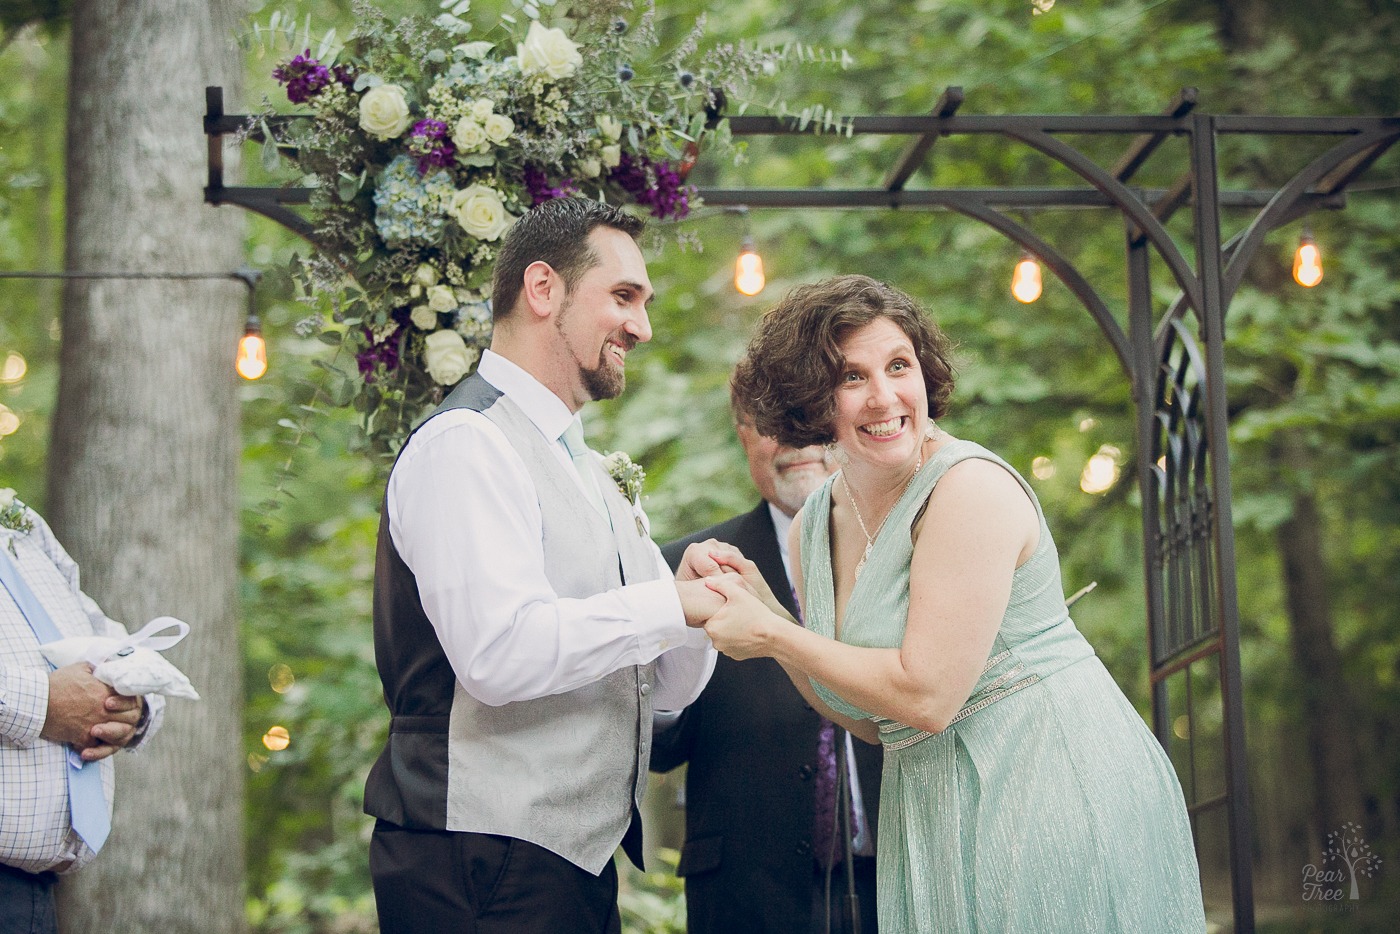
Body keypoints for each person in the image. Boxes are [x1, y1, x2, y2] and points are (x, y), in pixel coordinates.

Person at [697, 276, 1207, 932]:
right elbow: (868, 717)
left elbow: (927, 699)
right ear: (811, 399)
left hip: (1047, 781)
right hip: (930, 803)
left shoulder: (968, 489)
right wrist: (763, 599)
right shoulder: (811, 526)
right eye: (852, 376)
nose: (885, 397)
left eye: (899, 366)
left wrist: (772, 634)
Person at [365, 196, 723, 934]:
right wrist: (669, 607)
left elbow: (664, 695)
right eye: (623, 297)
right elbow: (498, 656)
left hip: (572, 866)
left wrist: (703, 607)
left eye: (644, 302)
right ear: (542, 289)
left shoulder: (591, 471)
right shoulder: (466, 444)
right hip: (478, 860)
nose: (642, 327)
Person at [651, 382, 881, 934]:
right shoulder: (687, 564)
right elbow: (655, 746)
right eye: (775, 422)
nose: (797, 442)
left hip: (896, 882)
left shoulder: (903, 552)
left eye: (811, 418)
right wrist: (664, 675)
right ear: (743, 433)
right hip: (746, 894)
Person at [0, 491, 165, 934]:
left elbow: (108, 638)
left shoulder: (22, 523)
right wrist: (41, 702)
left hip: (32, 894)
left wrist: (132, 706)